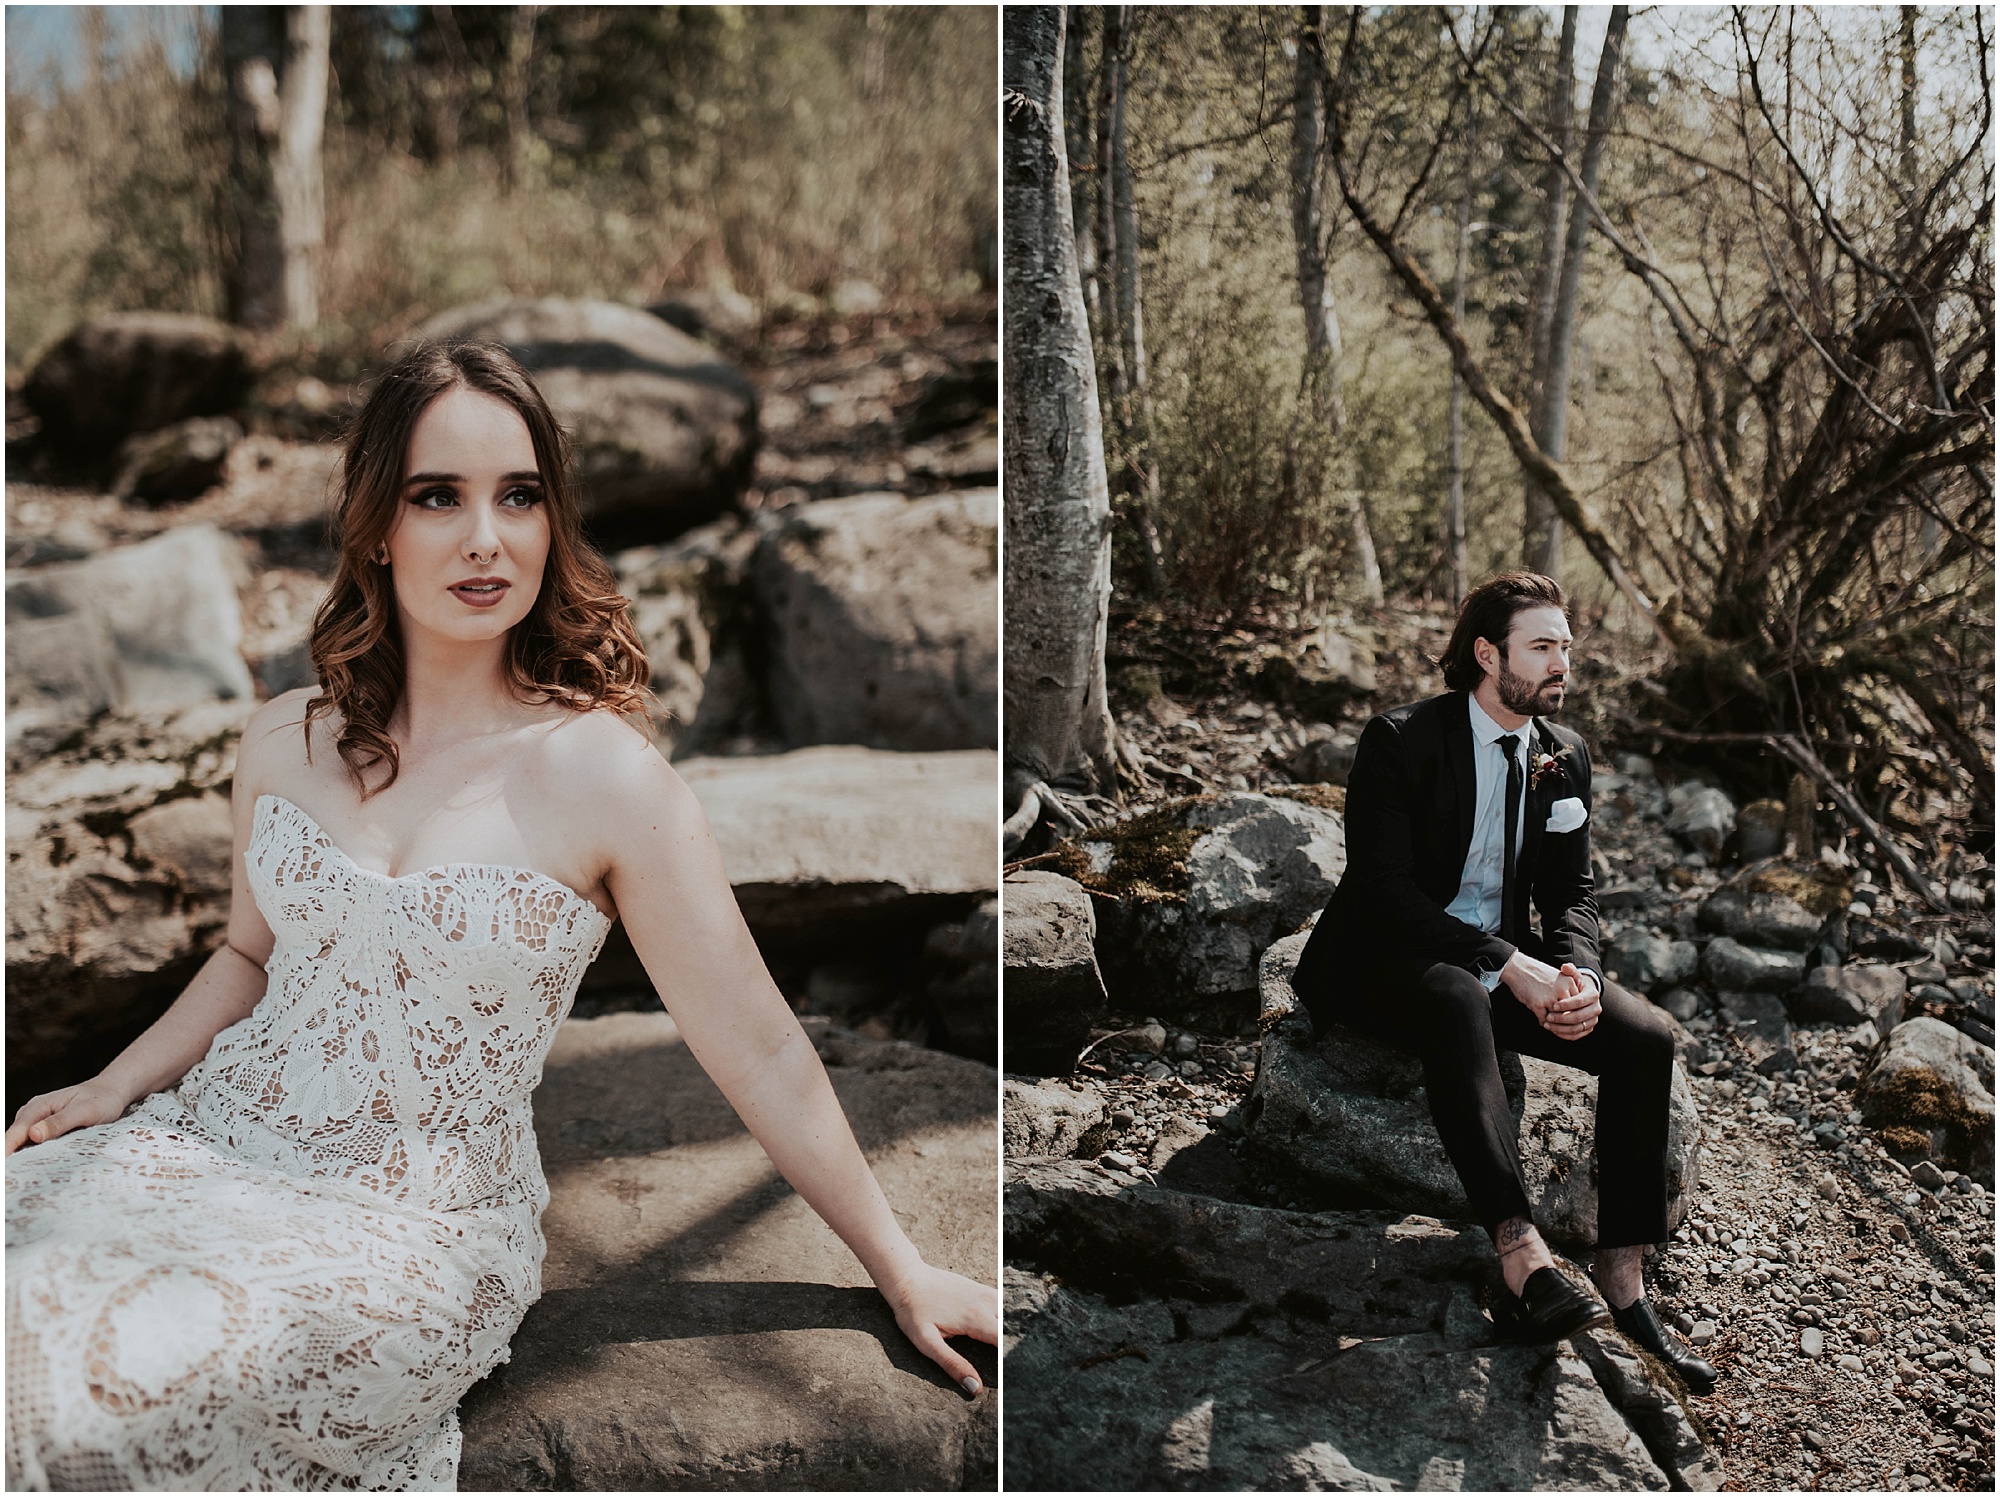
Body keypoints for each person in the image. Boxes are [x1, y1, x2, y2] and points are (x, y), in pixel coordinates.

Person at [5, 341, 998, 1491]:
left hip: (406, 1232)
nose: (487, 537)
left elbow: (763, 1046)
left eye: (518, 496)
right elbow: (245, 954)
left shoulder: (608, 780)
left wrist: (899, 1264)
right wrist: (114, 1086)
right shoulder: (283, 735)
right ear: (378, 525)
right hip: (202, 1148)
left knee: (61, 1378)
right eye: (439, 497)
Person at [1289, 571, 1714, 1393]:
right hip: (1385, 959)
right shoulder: (1400, 739)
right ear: (1487, 654)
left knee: (1645, 1037)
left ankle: (1623, 1279)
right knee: (1455, 993)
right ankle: (1521, 1256)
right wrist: (1504, 963)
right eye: (1543, 647)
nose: (1562, 664)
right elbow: (1382, 890)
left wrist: (1576, 973)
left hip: (1500, 959)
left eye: (1566, 647)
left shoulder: (1564, 753)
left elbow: (1570, 894)